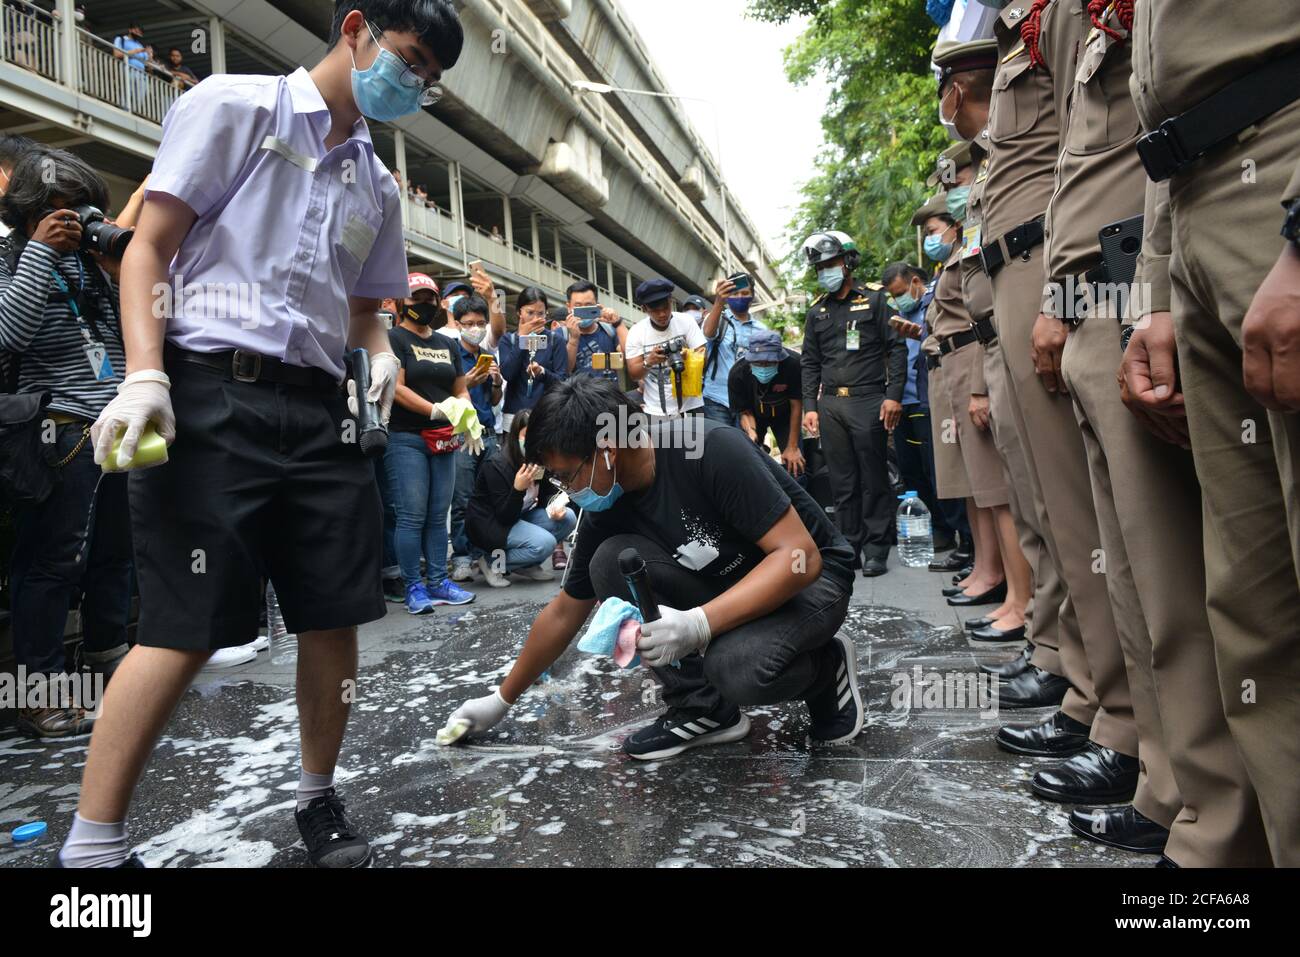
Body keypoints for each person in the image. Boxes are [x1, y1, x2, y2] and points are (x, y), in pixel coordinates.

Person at [63, 0, 466, 870]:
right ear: (356, 28)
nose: (413, 83)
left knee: (335, 615)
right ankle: (92, 848)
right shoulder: (235, 105)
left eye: (428, 83)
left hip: (320, 411)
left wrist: (381, 357)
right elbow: (149, 246)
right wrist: (145, 372)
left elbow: (366, 314)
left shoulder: (378, 184)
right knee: (182, 623)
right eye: (408, 58)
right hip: (211, 393)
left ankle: (318, 802)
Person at [447, 377, 860, 759]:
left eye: (565, 475)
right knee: (610, 562)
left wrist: (698, 624)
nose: (565, 490)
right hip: (728, 580)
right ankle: (703, 709)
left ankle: (826, 670)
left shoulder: (707, 448)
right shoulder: (606, 502)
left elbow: (796, 558)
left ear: (608, 450)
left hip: (810, 579)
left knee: (737, 668)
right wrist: (501, 700)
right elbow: (563, 612)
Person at [1128, 0, 1300, 866]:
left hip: (1280, 169)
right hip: (1195, 198)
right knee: (1253, 607)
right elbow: (1161, 109)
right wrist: (1157, 287)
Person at [968, 11, 1144, 809]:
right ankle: (1092, 693)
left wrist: (1065, 295)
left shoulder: (1063, 16)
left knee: (1092, 518)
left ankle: (1123, 719)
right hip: (1028, 267)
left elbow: (1090, 144)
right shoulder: (1027, 25)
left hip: (1062, 260)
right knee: (1059, 510)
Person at [0, 148, 132, 738]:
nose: (72, 220)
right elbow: (10, 334)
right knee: (51, 565)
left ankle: (112, 666)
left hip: (116, 428)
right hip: (60, 433)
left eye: (79, 209)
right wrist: (37, 252)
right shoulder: (12, 259)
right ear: (27, 209)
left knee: (114, 557)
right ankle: (40, 695)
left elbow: (125, 337)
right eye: (58, 210)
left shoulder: (87, 263)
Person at [798, 230, 906, 577]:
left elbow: (897, 349)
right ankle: (850, 545)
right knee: (841, 481)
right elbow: (810, 362)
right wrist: (810, 407)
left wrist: (893, 397)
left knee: (873, 477)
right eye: (819, 268)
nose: (825, 272)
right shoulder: (817, 312)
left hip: (870, 399)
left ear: (846, 263)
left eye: (829, 264)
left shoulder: (875, 299)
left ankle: (877, 547)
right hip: (830, 404)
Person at [385, 290, 477, 613]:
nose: (422, 305)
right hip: (406, 436)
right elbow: (396, 387)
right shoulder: (393, 338)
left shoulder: (447, 344)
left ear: (438, 304)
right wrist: (435, 410)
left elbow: (461, 388)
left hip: (444, 438)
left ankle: (438, 581)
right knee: (411, 516)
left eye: (429, 299)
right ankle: (413, 586)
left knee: (439, 516)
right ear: (402, 304)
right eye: (414, 299)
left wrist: (466, 411)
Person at [880, 261, 968, 556]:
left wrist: (920, 334)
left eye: (901, 292)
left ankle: (962, 535)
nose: (899, 299)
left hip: (928, 400)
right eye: (893, 296)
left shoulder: (930, 309)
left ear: (916, 282)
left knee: (938, 470)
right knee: (911, 471)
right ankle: (938, 530)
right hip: (901, 403)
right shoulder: (896, 318)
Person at [465, 410, 576, 586]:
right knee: (544, 543)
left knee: (568, 517)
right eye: (527, 435)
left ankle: (528, 564)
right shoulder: (497, 465)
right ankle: (492, 561)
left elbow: (547, 492)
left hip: (518, 516)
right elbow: (504, 516)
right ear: (516, 435)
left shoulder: (539, 460)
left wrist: (555, 505)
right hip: (491, 524)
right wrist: (517, 489)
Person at [449, 294, 503, 583]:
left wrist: (494, 380)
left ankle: (484, 555)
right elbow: (445, 395)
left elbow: (495, 399)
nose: (476, 328)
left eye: (481, 323)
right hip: (462, 434)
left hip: (489, 432)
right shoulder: (451, 354)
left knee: (489, 499)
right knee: (462, 499)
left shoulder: (488, 355)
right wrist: (466, 382)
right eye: (469, 323)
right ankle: (461, 557)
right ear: (457, 324)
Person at [726, 328, 804, 480]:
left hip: (786, 417)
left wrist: (792, 447)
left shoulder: (794, 364)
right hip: (753, 415)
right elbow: (744, 411)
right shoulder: (738, 373)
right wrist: (751, 432)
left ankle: (800, 501)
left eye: (769, 362)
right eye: (758, 363)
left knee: (796, 465)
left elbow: (796, 405)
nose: (763, 367)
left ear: (779, 358)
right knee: (747, 463)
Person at [624, 278, 706, 419]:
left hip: (692, 406)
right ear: (644, 309)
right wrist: (649, 362)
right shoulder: (636, 332)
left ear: (671, 301)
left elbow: (704, 356)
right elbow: (634, 374)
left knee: (697, 441)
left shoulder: (686, 321)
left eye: (665, 308)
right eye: (655, 311)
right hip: (656, 411)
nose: (662, 314)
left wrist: (689, 357)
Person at [496, 286, 568, 428]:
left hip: (547, 415)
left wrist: (542, 372)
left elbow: (562, 382)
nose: (535, 319)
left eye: (540, 313)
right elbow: (507, 374)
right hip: (514, 417)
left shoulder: (555, 340)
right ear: (519, 312)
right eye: (530, 312)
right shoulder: (508, 340)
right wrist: (521, 339)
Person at [700, 275, 765, 425]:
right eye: (735, 293)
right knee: (722, 446)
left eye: (745, 293)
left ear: (752, 296)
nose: (740, 297)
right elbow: (708, 333)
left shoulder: (761, 330)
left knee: (746, 447)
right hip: (716, 400)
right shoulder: (717, 319)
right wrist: (718, 302)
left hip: (747, 404)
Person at [563, 279, 626, 383]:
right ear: (569, 307)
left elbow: (628, 359)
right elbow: (565, 370)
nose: (583, 310)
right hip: (577, 397)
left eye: (588, 305)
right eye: (578, 306)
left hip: (608, 395)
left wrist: (618, 323)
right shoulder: (561, 334)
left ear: (597, 305)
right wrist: (573, 339)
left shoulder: (609, 330)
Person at [112, 23, 148, 113]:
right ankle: (123, 110)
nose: (138, 32)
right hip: (128, 69)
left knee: (140, 96)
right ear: (130, 30)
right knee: (127, 91)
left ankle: (135, 112)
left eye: (140, 31)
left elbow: (147, 62)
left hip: (141, 74)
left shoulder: (140, 45)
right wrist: (135, 51)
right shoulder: (121, 39)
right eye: (136, 30)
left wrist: (150, 56)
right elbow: (116, 54)